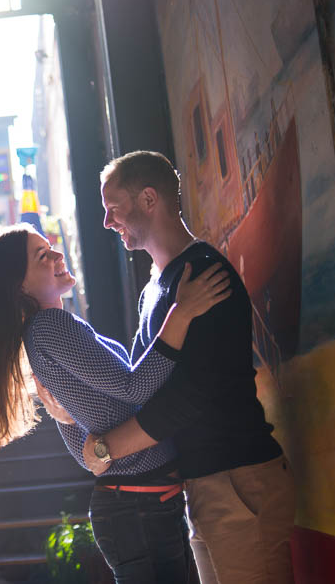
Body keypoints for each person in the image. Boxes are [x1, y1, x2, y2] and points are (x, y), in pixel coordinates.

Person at [0, 223, 231, 582]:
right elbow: (134, 388)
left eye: (51, 246)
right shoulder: (50, 326)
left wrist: (71, 423)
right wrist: (181, 312)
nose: (57, 254)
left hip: (139, 504)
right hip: (138, 508)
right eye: (43, 256)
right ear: (19, 286)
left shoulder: (45, 331)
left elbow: (88, 453)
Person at [86, 151, 294, 584]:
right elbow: (146, 386)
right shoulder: (153, 289)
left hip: (236, 477)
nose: (107, 222)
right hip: (205, 483)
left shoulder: (202, 272)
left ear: (148, 199)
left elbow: (188, 396)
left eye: (113, 207)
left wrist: (108, 449)